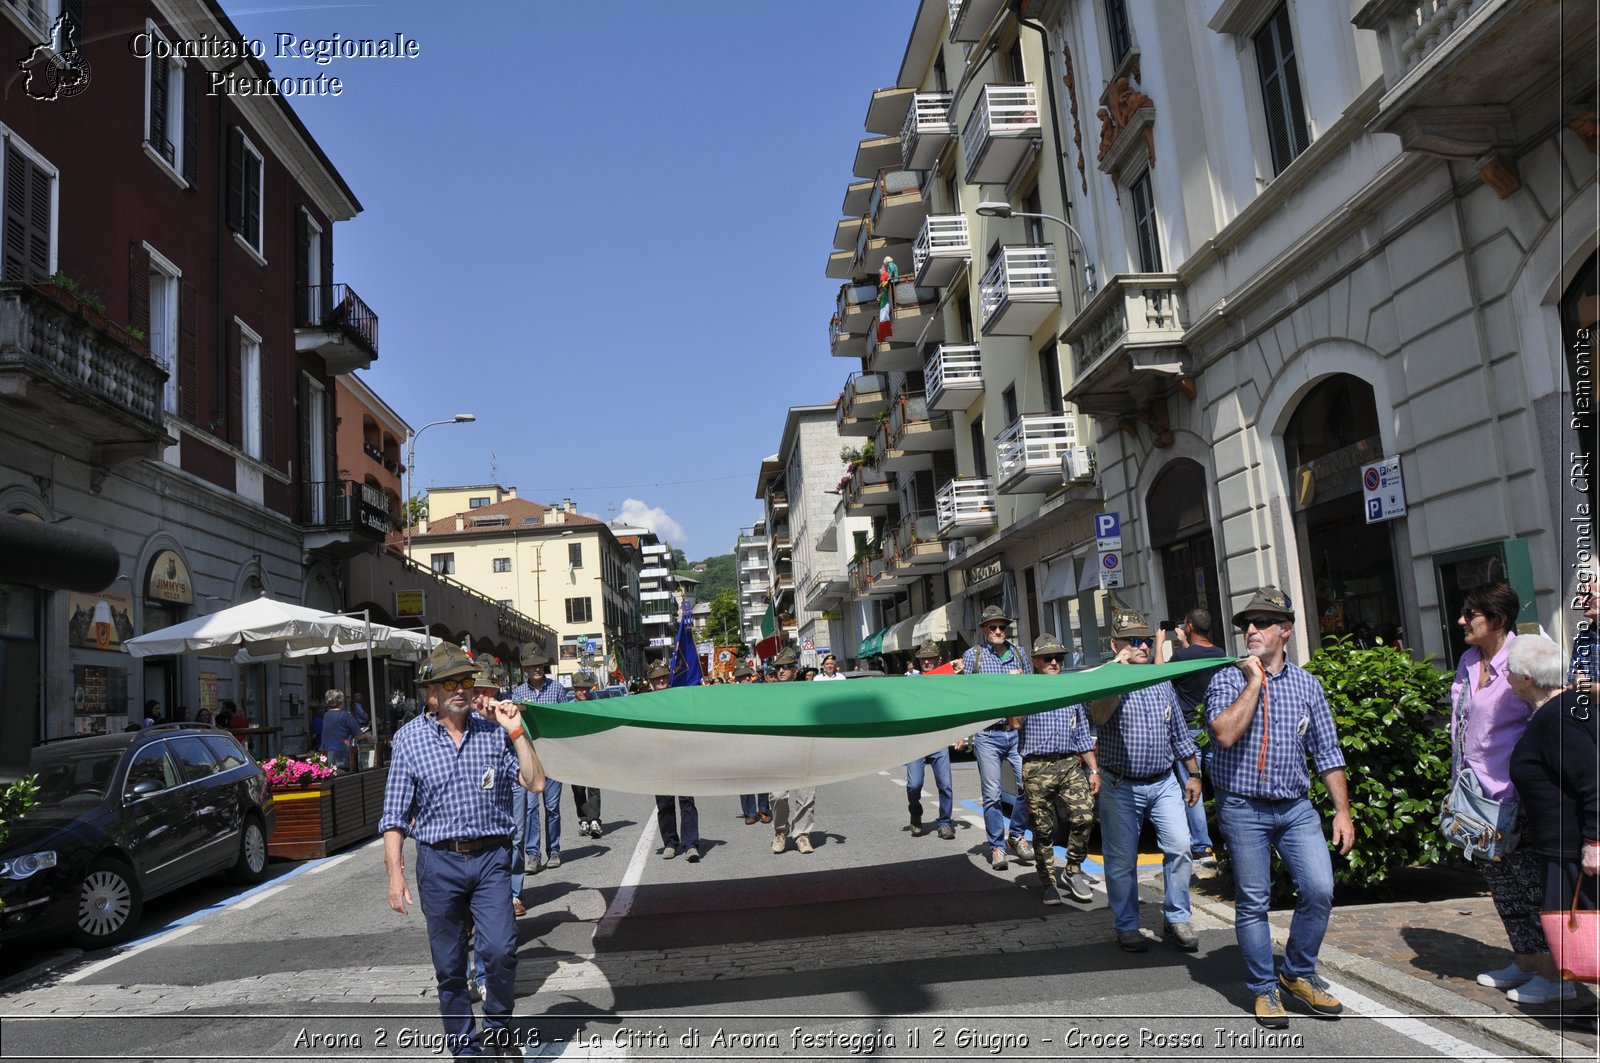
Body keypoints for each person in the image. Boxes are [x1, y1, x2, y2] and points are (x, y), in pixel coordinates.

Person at [380, 639, 545, 1062]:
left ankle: (497, 1030)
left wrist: (516, 730)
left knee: (501, 950)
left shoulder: (492, 734)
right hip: (439, 862)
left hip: (491, 859)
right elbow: (395, 816)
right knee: (450, 968)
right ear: (429, 693)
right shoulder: (409, 741)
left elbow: (535, 782)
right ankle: (466, 1051)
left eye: (465, 681)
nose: (461, 689)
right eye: (448, 682)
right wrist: (395, 875)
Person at [1205, 586, 1353, 1028]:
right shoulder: (1227, 678)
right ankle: (1264, 988)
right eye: (1247, 624)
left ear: (1285, 630)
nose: (1251, 629)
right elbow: (1225, 734)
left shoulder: (1308, 685)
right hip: (1243, 806)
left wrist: (1342, 811)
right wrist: (1254, 682)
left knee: (1319, 890)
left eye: (1262, 622)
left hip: (1295, 808)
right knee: (1253, 901)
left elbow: (1327, 752)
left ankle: (1298, 974)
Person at [1446, 581, 1551, 998]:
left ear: (1498, 619)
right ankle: (1525, 961)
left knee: (1533, 887)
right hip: (1476, 796)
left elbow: (1550, 708)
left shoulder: (1528, 654)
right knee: (1502, 886)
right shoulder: (1469, 660)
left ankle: (1555, 973)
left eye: (1470, 614)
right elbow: (1460, 724)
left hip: (1518, 794)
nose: (1462, 621)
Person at [1088, 605, 1202, 954]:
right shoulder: (1104, 679)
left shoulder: (1159, 680)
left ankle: (1177, 916)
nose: (1141, 647)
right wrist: (1115, 679)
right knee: (1121, 860)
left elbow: (1179, 733)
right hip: (1120, 784)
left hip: (1164, 780)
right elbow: (1098, 716)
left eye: (1145, 640)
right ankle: (1126, 924)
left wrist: (1193, 773)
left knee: (1181, 846)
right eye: (1132, 641)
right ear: (1115, 645)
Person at [1506, 634, 1596, 1005]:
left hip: (1572, 847)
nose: (1506, 679)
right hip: (1562, 844)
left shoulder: (1558, 718)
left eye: (1510, 673)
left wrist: (1595, 842)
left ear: (1526, 679)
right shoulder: (1565, 709)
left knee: (1585, 931)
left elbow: (1592, 778)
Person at [1011, 633, 1098, 906]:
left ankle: (1073, 870)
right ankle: (1048, 881)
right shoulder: (1025, 688)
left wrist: (1094, 770)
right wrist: (1014, 690)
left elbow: (1083, 734)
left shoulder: (1071, 690)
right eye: (1047, 658)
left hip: (1069, 763)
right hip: (1037, 767)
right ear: (1036, 662)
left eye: (1058, 658)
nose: (1053, 663)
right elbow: (1014, 723)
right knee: (1043, 828)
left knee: (1084, 816)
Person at [960, 605, 1035, 871]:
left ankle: (1016, 834)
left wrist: (1022, 679)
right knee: (991, 795)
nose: (998, 631)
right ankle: (997, 847)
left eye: (1002, 626)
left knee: (1029, 786)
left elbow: (1031, 689)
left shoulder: (1018, 653)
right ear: (983, 630)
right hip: (988, 734)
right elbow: (966, 696)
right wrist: (962, 732)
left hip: (1016, 732)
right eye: (992, 627)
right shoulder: (973, 656)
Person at [1158, 609, 1230, 866]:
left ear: (1188, 626)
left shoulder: (1180, 657)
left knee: (1192, 787)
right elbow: (1197, 659)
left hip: (1188, 732)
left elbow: (1158, 676)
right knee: (1221, 784)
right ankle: (1228, 838)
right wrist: (1185, 643)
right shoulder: (1219, 653)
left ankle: (1201, 844)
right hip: (1214, 727)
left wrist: (1159, 642)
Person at [509, 644, 568, 873]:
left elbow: (564, 719)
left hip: (553, 755)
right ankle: (533, 855)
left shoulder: (557, 689)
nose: (536, 668)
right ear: (525, 669)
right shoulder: (518, 693)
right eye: (532, 665)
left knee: (552, 807)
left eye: (539, 664)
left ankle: (554, 851)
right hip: (530, 757)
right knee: (531, 808)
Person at [645, 660, 701, 861]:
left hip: (682, 756)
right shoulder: (645, 703)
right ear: (650, 682)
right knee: (664, 803)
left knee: (687, 801)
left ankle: (690, 844)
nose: (660, 681)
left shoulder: (679, 698)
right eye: (656, 678)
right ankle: (670, 842)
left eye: (663, 677)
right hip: (658, 758)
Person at [904, 641, 957, 841]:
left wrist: (959, 734)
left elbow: (955, 707)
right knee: (914, 784)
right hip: (916, 740)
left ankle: (945, 823)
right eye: (923, 659)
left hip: (939, 738)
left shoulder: (946, 680)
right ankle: (915, 812)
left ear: (938, 659)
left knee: (945, 785)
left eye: (930, 658)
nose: (926, 661)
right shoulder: (910, 680)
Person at [771, 646, 817, 855]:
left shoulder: (806, 692)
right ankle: (781, 831)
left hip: (803, 749)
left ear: (795, 670)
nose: (781, 671)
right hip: (777, 751)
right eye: (779, 667)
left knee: (806, 795)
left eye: (786, 667)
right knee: (778, 795)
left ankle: (802, 835)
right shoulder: (765, 693)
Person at [733, 662, 772, 826]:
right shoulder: (732, 696)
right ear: (738, 679)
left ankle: (763, 809)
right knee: (744, 777)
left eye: (749, 676)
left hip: (758, 738)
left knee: (762, 774)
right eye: (744, 677)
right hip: (740, 740)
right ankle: (749, 812)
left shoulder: (759, 692)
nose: (748, 679)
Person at [568, 673, 604, 838]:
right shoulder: (568, 708)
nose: (583, 692)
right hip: (574, 753)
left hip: (593, 752)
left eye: (586, 689)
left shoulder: (595, 706)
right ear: (574, 690)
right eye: (580, 689)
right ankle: (583, 819)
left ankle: (595, 819)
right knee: (578, 788)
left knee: (594, 787)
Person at [319, 689, 363, 772]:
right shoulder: (345, 715)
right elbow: (359, 735)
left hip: (326, 753)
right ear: (340, 701)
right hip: (342, 753)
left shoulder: (326, 715)